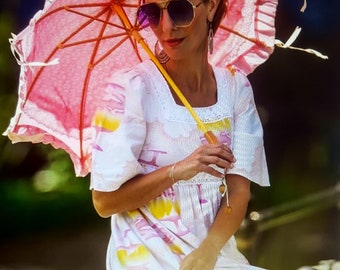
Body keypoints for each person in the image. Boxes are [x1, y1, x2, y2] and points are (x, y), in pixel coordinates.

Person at [90, 0, 270, 269]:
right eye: (152, 13)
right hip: (142, 257)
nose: (166, 27)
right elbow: (104, 202)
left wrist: (208, 252)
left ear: (211, 7)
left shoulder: (236, 89)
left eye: (180, 9)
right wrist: (178, 170)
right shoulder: (130, 89)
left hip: (214, 255)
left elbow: (238, 191)